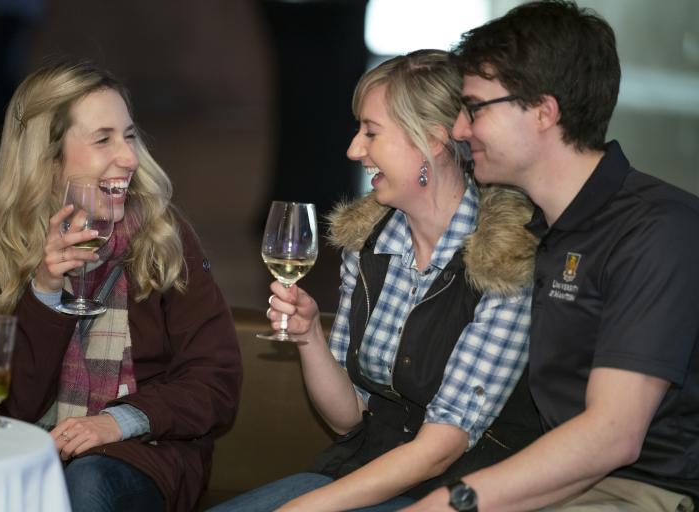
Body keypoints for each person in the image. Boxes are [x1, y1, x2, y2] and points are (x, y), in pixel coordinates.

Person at [209, 49, 541, 512]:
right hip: (364, 469)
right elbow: (349, 417)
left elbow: (441, 448)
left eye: (371, 132)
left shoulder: (505, 260)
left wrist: (304, 508)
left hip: (457, 492)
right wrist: (310, 336)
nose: (354, 149)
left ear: (433, 139)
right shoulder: (367, 244)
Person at [405, 2, 699, 511]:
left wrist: (454, 502)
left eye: (474, 108)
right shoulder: (539, 226)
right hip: (564, 480)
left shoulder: (658, 229)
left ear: (544, 111)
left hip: (646, 490)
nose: (458, 129)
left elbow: (613, 435)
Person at [0, 61, 242, 512]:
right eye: (103, 139)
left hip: (143, 455)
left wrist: (119, 421)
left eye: (129, 136)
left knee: (86, 483)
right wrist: (45, 292)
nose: (129, 157)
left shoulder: (163, 237)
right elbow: (10, 408)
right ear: (47, 159)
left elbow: (215, 383)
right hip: (24, 453)